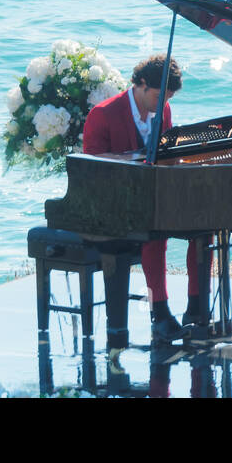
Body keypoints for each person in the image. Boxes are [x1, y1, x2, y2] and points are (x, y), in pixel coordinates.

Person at [81, 54, 207, 342]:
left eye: (170, 97)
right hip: (113, 205)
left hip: (152, 197)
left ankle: (197, 307)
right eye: (160, 95)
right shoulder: (103, 114)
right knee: (155, 231)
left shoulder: (163, 111)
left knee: (204, 228)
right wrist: (134, 159)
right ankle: (160, 314)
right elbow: (91, 167)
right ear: (139, 84)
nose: (164, 103)